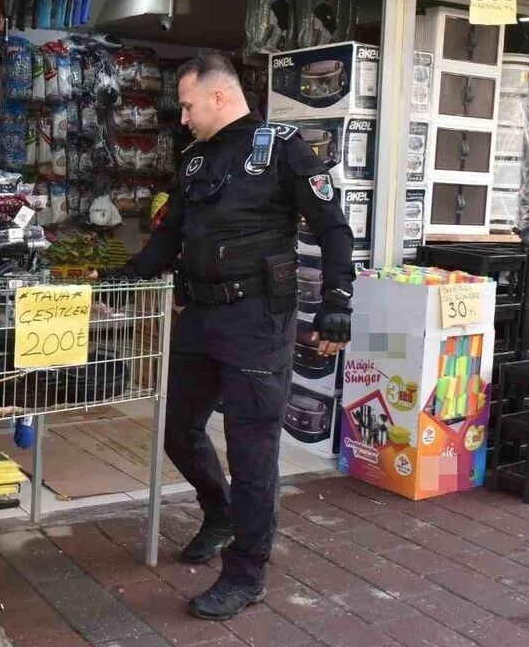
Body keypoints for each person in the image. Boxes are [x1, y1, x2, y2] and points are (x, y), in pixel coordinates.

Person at [98, 54, 354, 620]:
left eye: (187, 105)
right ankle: (219, 514)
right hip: (201, 319)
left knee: (252, 451)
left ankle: (247, 573)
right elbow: (169, 241)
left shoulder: (283, 148)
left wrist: (337, 302)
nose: (182, 117)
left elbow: (334, 228)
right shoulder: (193, 163)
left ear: (218, 96)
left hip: (259, 322)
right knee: (178, 428)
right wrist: (121, 279)